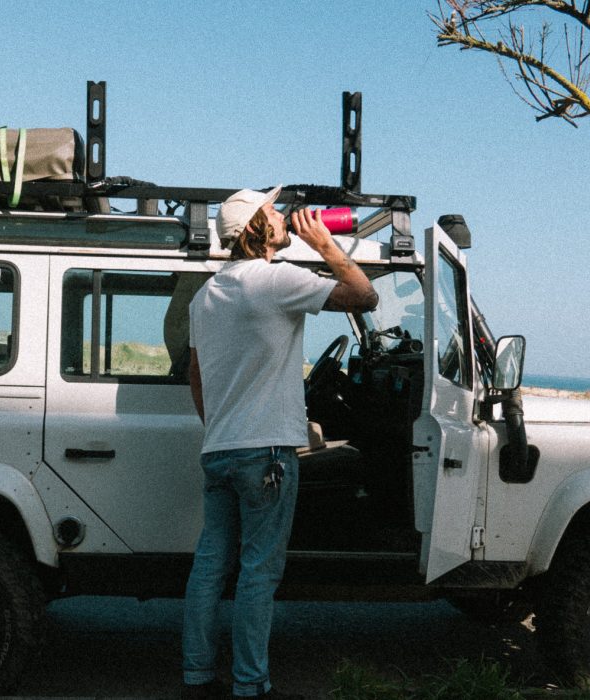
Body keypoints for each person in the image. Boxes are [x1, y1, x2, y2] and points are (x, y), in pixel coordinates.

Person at [181, 186, 378, 698]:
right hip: (266, 452)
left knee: (209, 567)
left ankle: (198, 676)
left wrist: (219, 428)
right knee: (257, 573)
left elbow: (197, 377)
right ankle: (251, 685)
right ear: (256, 229)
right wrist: (326, 245)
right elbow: (364, 297)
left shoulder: (206, 295)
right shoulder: (275, 279)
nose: (282, 215)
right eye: (272, 210)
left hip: (219, 451)